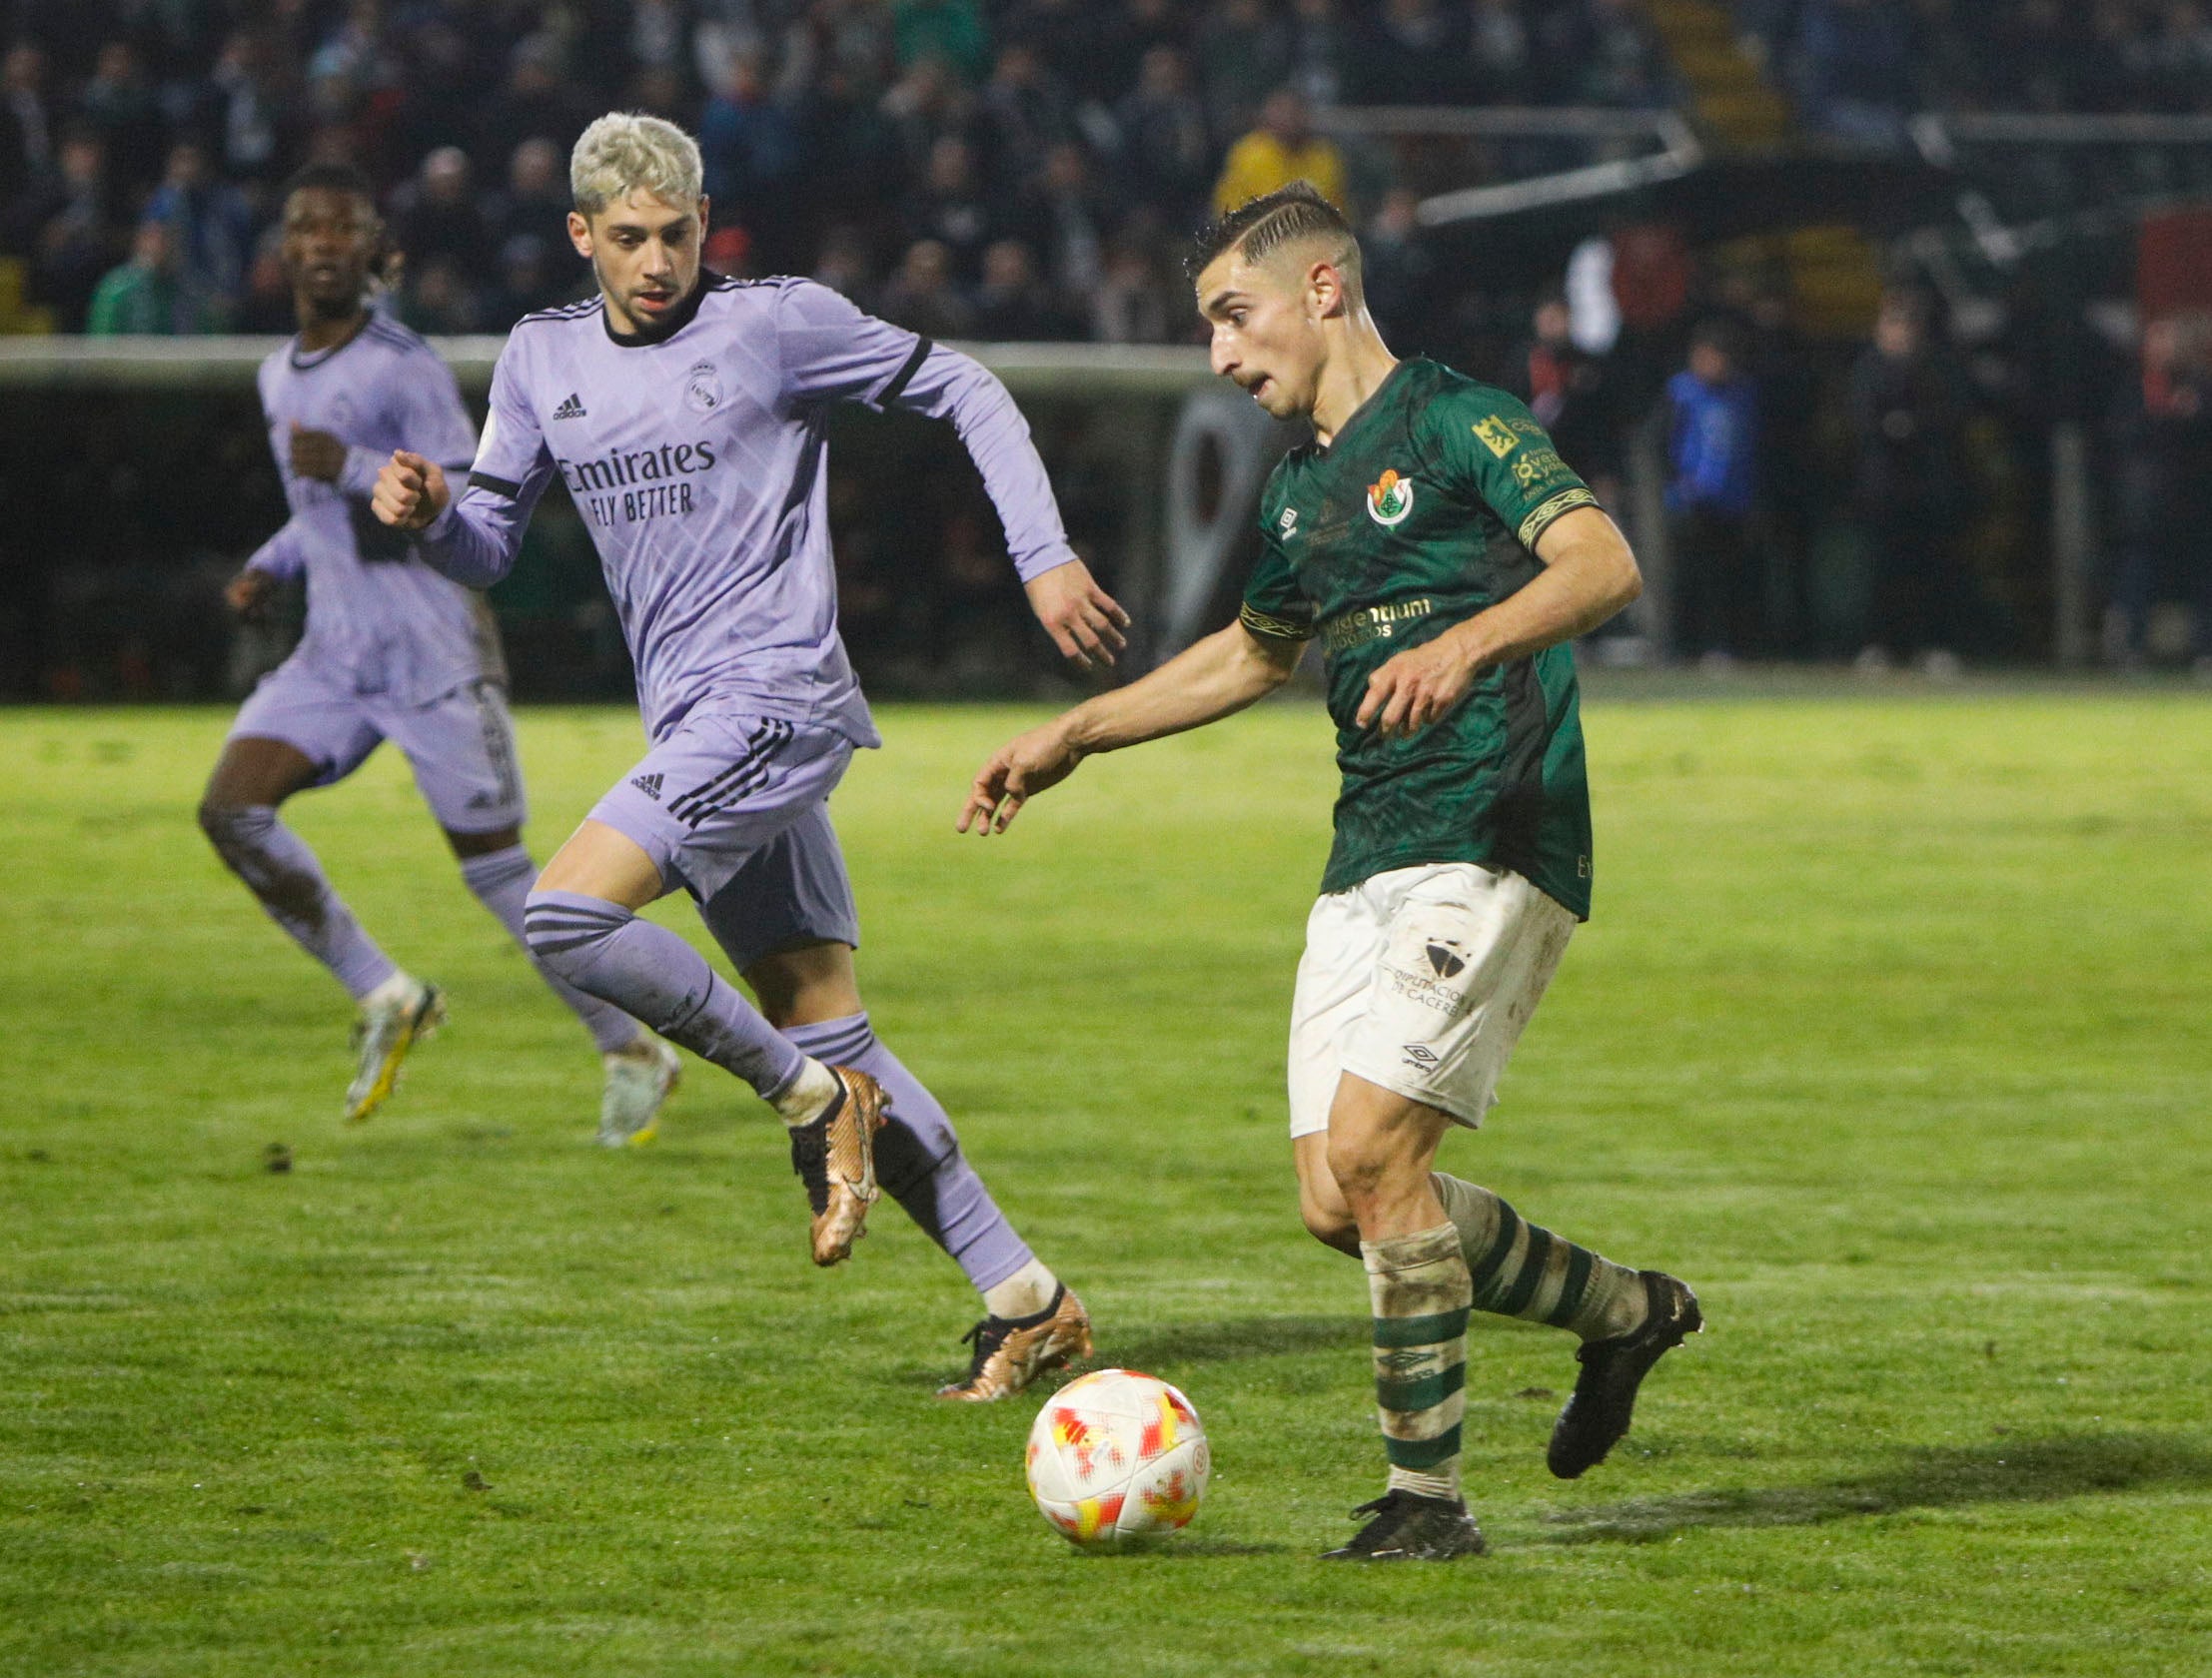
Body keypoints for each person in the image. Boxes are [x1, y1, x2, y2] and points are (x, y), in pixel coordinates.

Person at [961, 183, 1701, 1558]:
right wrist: (1076, 732)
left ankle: (1426, 1507)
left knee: (1374, 1157)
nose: (1221, 356)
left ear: (1320, 292)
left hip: (1494, 829)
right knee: (1335, 1201)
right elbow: (1252, 653)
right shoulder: (1302, 487)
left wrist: (1465, 643)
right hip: (1368, 851)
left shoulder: (1455, 419)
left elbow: (1601, 566)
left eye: (1233, 318)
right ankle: (1623, 1312)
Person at [371, 114, 1121, 1400]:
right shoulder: (541, 359)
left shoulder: (774, 324)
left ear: (703, 222)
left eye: (676, 234)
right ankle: (1027, 1301)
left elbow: (967, 387)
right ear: (581, 239)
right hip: (695, 727)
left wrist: (1041, 553)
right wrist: (435, 514)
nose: (657, 262)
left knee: (561, 916)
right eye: (628, 240)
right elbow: (491, 539)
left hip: (773, 699)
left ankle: (808, 1103)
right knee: (833, 1024)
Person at [196, 162, 679, 1144]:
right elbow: (317, 513)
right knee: (231, 809)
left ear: (379, 254)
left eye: (345, 227)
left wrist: (363, 465)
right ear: (284, 251)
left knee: (503, 878)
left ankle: (634, 1046)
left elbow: (463, 486)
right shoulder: (275, 372)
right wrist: (271, 562)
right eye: (306, 226)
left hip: (433, 654)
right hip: (335, 655)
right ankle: (386, 994)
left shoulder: (402, 364)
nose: (324, 242)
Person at [1664, 319, 1760, 664]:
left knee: (1727, 579)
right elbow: (1665, 443)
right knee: (1688, 577)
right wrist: (1678, 485)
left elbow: (1747, 448)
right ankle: (1679, 647)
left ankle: (1722, 645)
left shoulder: (1742, 394)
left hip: (1731, 502)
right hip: (1690, 501)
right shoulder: (1681, 392)